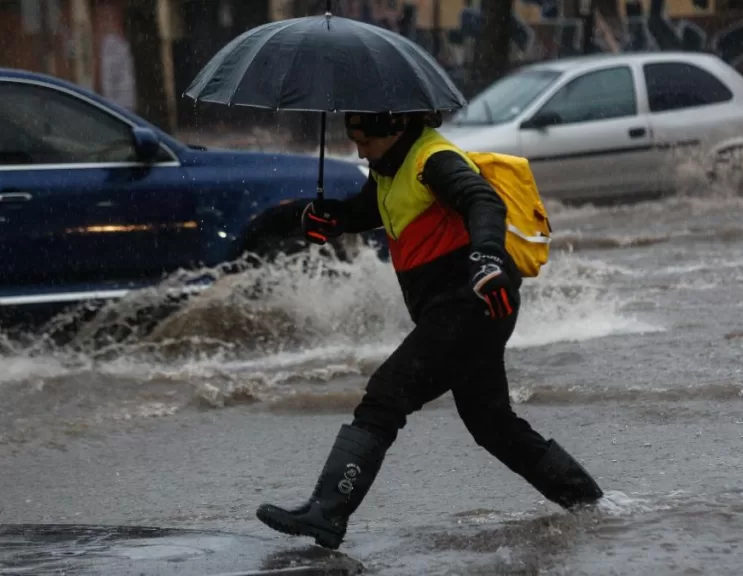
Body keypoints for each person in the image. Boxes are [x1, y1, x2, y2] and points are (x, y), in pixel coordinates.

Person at [255, 111, 603, 550]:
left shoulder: (433, 159)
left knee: (385, 395)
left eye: (364, 139)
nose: (359, 149)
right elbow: (369, 210)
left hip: (472, 303)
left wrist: (489, 258)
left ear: (393, 128)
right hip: (455, 310)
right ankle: (588, 503)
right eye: (351, 138)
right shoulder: (388, 167)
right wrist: (329, 216)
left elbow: (483, 201)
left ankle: (328, 511)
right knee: (492, 425)